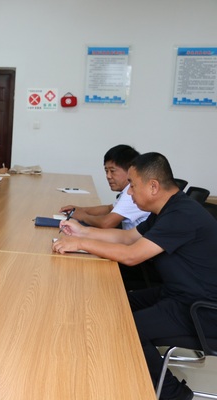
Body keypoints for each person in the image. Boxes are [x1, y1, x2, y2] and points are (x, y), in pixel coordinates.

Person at [52, 152, 217, 400]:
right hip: (178, 293)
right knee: (114, 304)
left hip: (202, 310)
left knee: (125, 327)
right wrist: (82, 232)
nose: (129, 192)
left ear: (153, 186)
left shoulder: (182, 215)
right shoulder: (167, 209)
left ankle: (173, 394)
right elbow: (128, 237)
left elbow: (131, 255)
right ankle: (121, 371)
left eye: (132, 185)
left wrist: (80, 244)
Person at [59, 144, 149, 230]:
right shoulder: (128, 190)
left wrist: (83, 216)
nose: (108, 176)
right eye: (106, 171)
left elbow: (106, 223)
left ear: (129, 170)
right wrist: (80, 210)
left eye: (112, 171)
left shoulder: (132, 193)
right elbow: (109, 209)